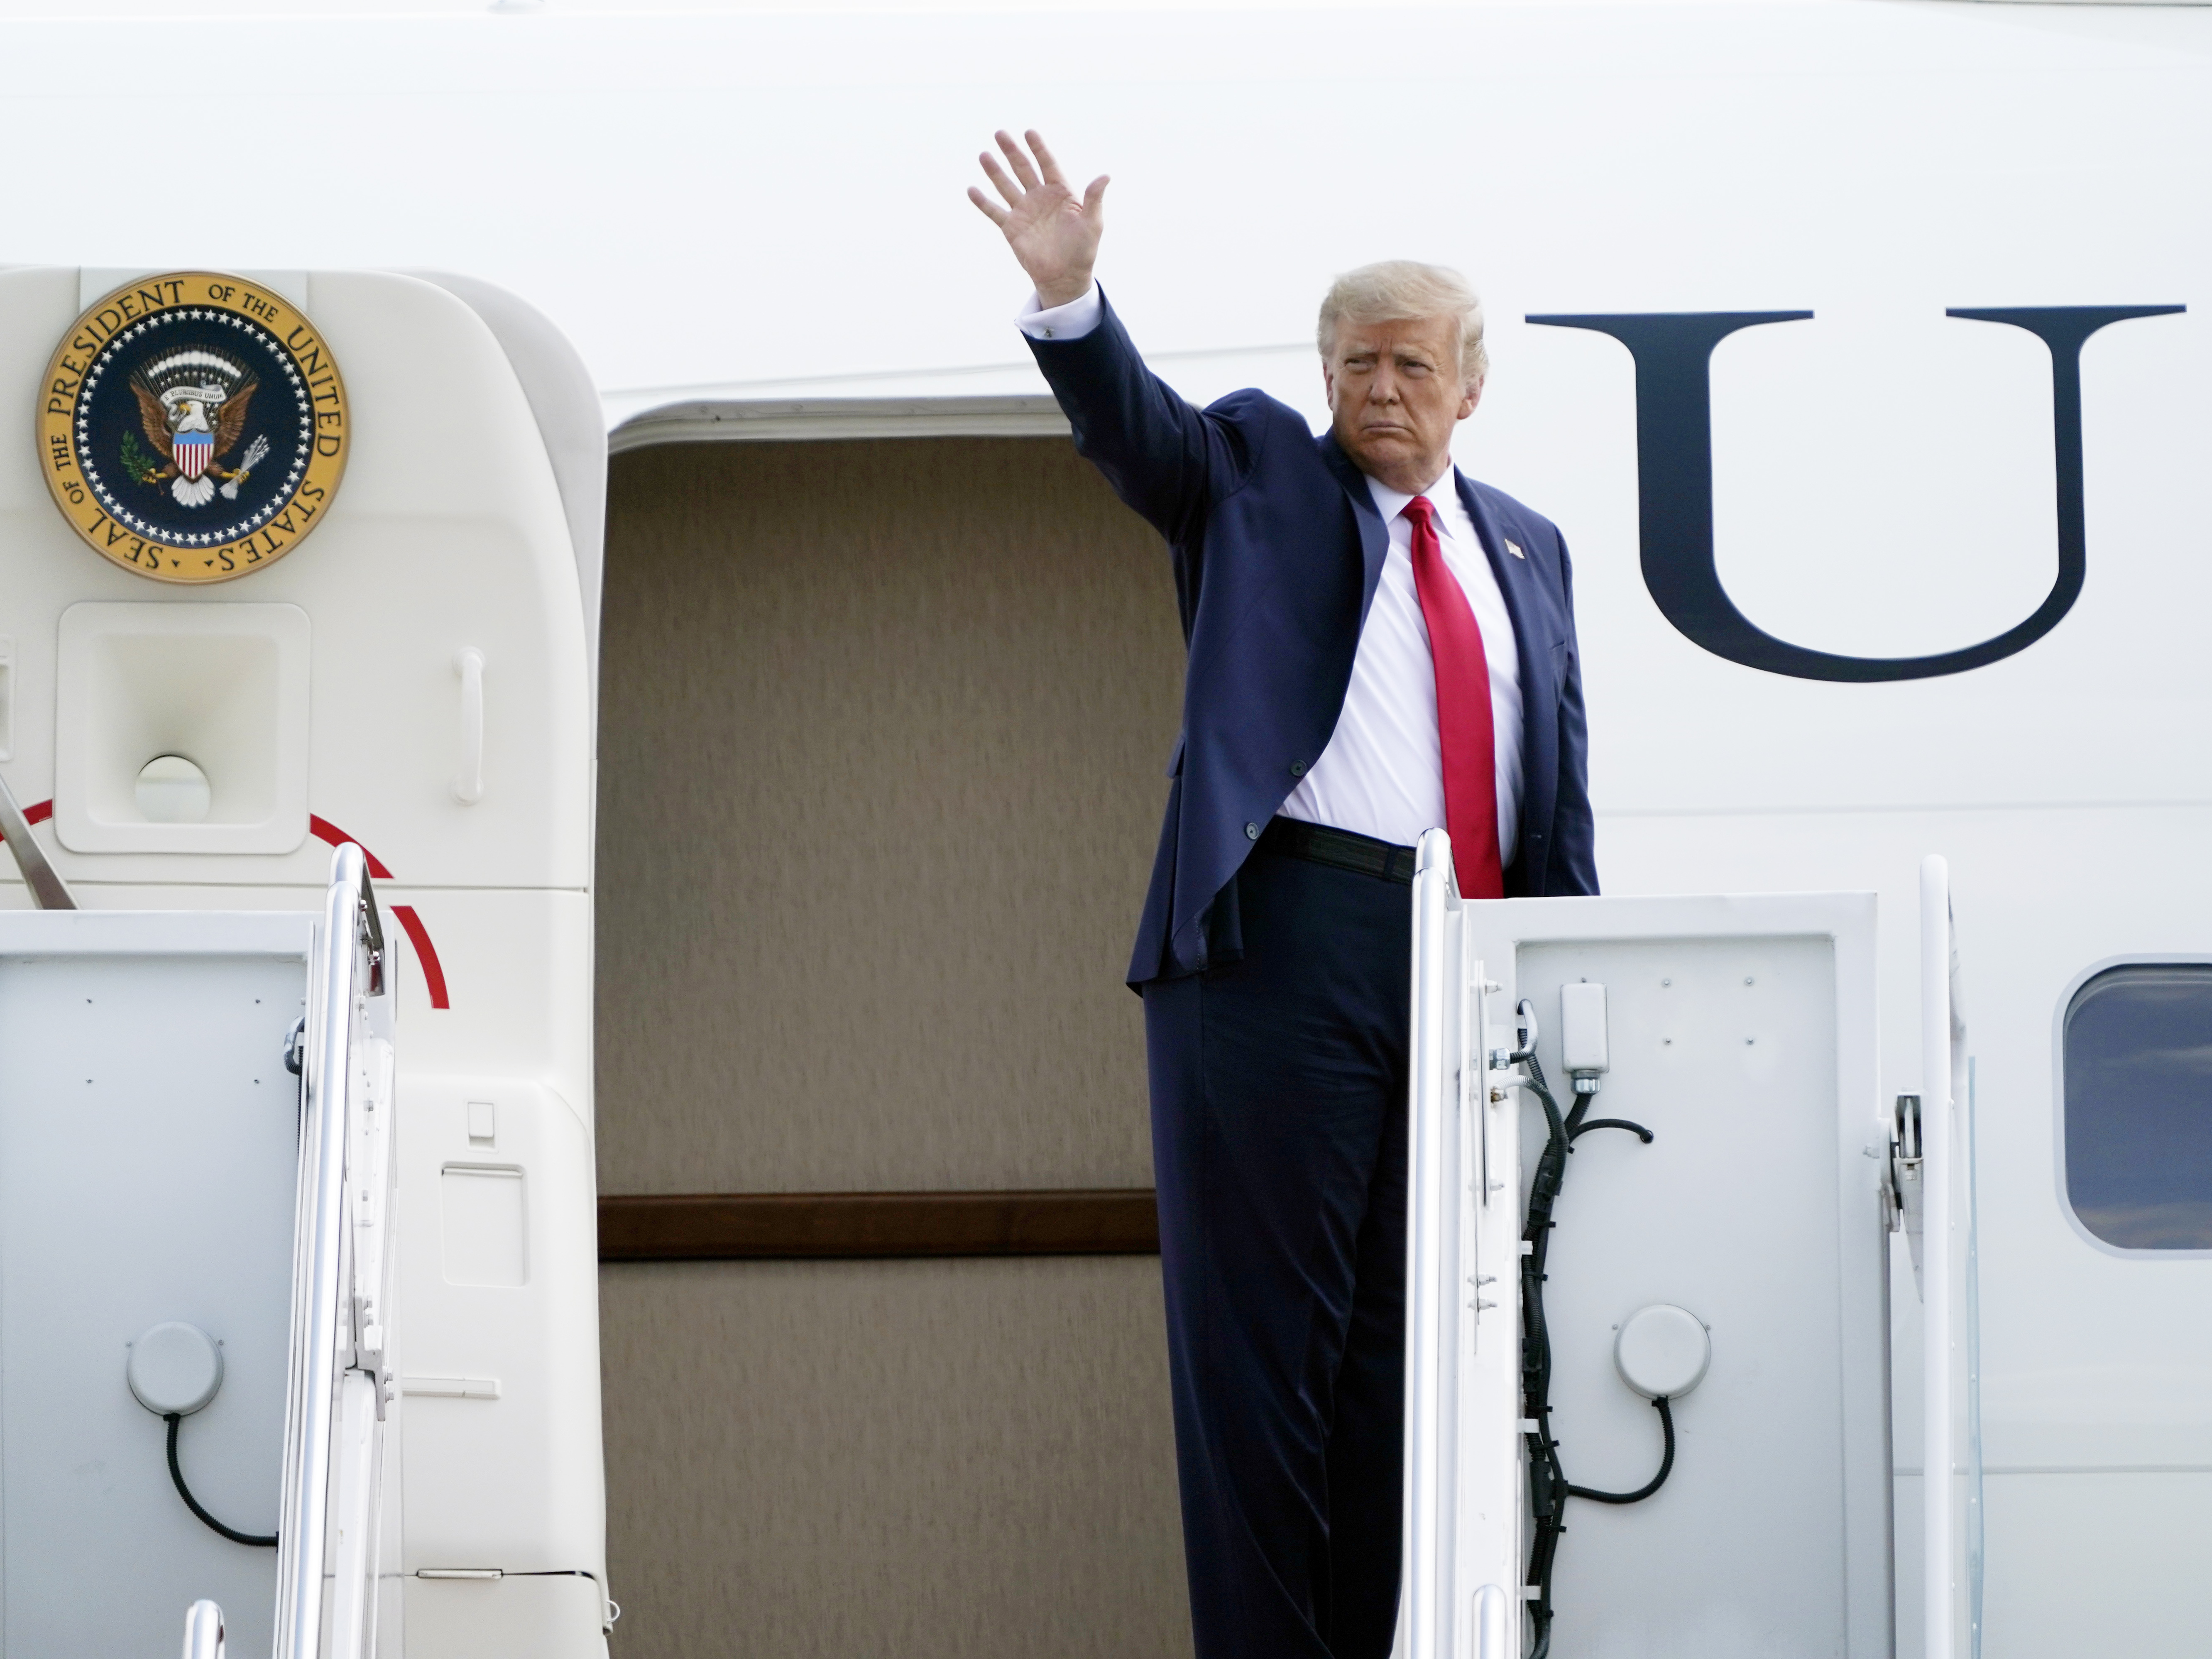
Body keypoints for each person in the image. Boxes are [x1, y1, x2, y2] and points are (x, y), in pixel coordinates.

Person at [970, 130, 1597, 1659]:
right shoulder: (1254, 471)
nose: (1380, 388)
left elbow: (1554, 788)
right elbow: (1141, 438)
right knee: (1269, 1360)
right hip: (1286, 941)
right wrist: (1073, 301)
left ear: (1470, 386)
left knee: (1408, 1360)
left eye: (1411, 364)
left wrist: (1575, 976)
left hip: (1463, 961)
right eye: (1355, 361)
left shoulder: (1529, 546)